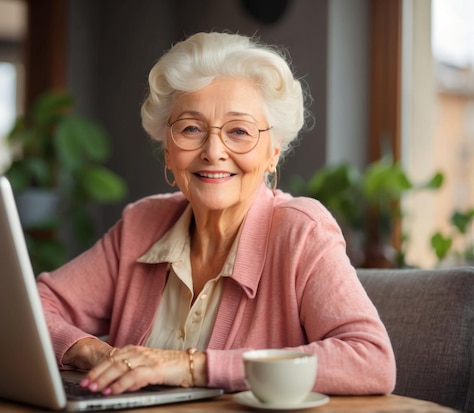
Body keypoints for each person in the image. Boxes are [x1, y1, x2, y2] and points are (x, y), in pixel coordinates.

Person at [37, 31, 396, 396]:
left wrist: (194, 366)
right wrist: (90, 350)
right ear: (167, 151)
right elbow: (33, 306)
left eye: (239, 131)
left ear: (273, 152)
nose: (213, 150)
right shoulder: (141, 225)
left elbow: (371, 359)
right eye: (191, 128)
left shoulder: (302, 232)